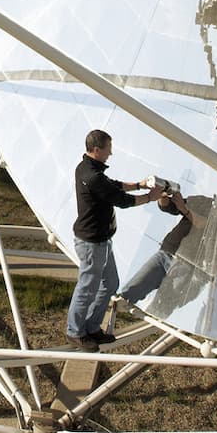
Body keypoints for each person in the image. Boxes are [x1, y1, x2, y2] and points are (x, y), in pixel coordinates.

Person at [68, 129, 161, 350]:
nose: (111, 153)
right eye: (109, 148)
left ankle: (91, 327)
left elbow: (113, 185)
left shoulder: (90, 169)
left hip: (102, 241)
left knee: (110, 284)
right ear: (97, 150)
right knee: (87, 288)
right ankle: (75, 332)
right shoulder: (91, 176)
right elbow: (122, 200)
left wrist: (139, 185)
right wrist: (150, 197)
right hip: (91, 243)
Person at [113, 185, 217, 321]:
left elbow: (212, 227)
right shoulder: (203, 201)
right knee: (129, 293)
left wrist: (186, 210)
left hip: (193, 268)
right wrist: (164, 195)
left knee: (159, 309)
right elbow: (170, 207)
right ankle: (107, 320)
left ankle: (146, 337)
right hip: (167, 254)